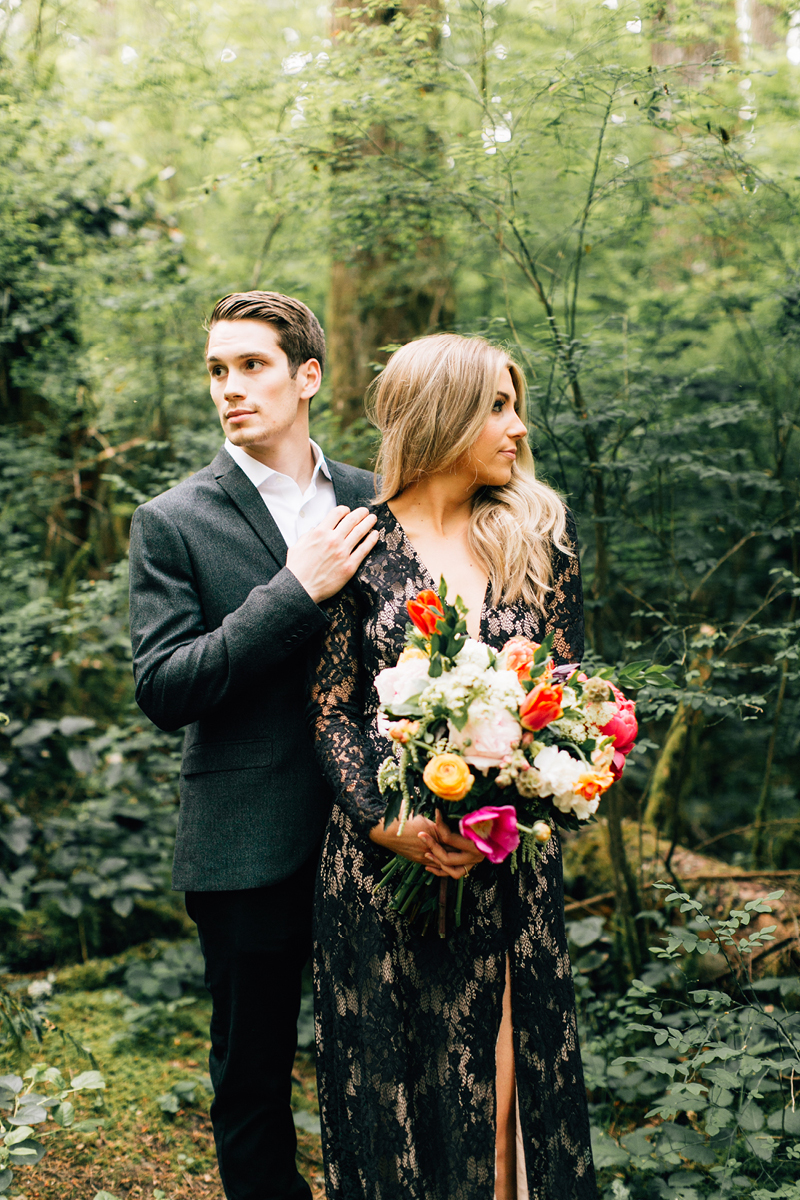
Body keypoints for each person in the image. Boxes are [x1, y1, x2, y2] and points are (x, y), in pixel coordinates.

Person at [307, 333, 597, 1200]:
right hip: (381, 866)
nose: (517, 427)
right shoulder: (355, 544)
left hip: (508, 866)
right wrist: (386, 824)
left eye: (516, 406)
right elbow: (332, 710)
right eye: (498, 407)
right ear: (443, 416)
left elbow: (569, 697)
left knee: (507, 1090)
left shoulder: (540, 535)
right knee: (399, 1090)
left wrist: (531, 792)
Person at [128, 291, 378, 1200]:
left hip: (380, 835)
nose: (230, 388)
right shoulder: (172, 519)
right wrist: (292, 591)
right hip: (242, 844)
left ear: (307, 375)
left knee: (383, 1067)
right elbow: (163, 687)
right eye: (216, 370)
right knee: (253, 1084)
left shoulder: (372, 495)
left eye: (252, 365)